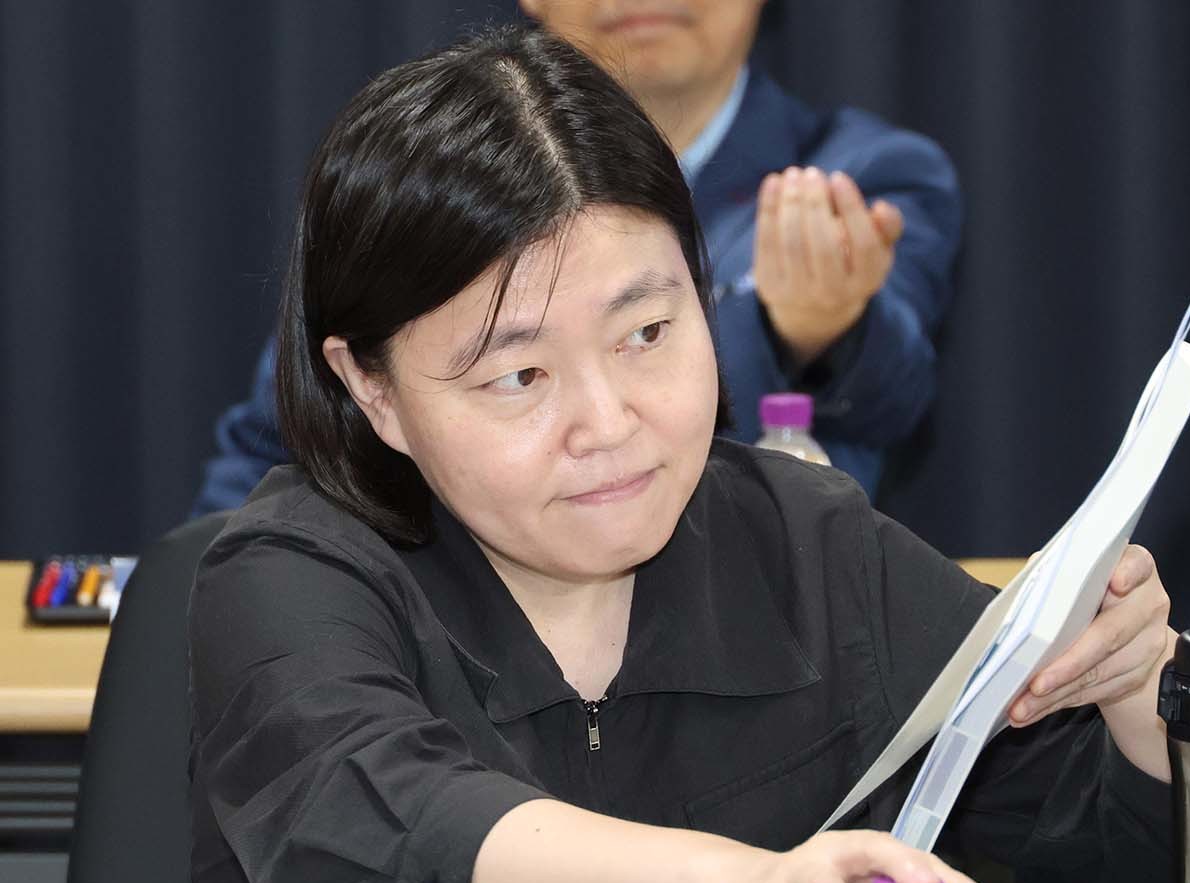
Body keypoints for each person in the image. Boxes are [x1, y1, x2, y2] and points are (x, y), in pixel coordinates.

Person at [188, 25, 1174, 883]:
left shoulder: (810, 549)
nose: (610, 423)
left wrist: (1139, 688)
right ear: (372, 387)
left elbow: (1122, 824)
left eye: (648, 332)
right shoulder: (292, 574)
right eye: (520, 375)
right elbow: (390, 811)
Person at [189, 0, 960, 513]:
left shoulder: (863, 177)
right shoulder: (424, 185)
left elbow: (893, 395)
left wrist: (824, 329)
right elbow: (278, 444)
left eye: (646, 331)